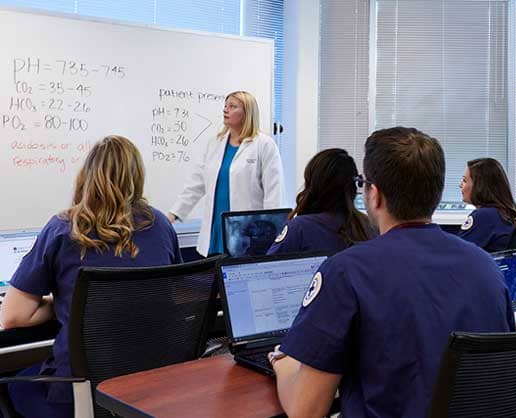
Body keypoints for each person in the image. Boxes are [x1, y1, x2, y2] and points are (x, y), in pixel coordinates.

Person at [271, 127, 515, 418]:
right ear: (436, 193)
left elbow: (305, 410)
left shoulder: (346, 272)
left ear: (374, 195)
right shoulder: (486, 267)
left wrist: (282, 364)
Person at [0, 136, 182, 418]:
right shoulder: (160, 225)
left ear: (87, 175)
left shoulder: (64, 227)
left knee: (13, 387)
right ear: (138, 177)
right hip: (150, 386)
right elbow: (168, 293)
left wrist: (64, 305)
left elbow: (11, 317)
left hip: (80, 393)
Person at [168, 91, 283, 256]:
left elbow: (274, 193)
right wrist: (172, 216)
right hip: (216, 228)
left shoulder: (264, 145)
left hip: (248, 231)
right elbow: (196, 185)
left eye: (232, 106)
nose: (225, 110)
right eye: (225, 106)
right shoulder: (215, 143)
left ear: (247, 113)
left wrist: (271, 234)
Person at [268, 148, 373, 255]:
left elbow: (267, 267)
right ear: (353, 187)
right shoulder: (368, 226)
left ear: (313, 185)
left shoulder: (300, 228)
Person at [457, 158, 516, 252]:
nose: (460, 185)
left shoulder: (484, 216)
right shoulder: (510, 213)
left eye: (464, 181)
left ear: (479, 185)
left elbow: (458, 253)